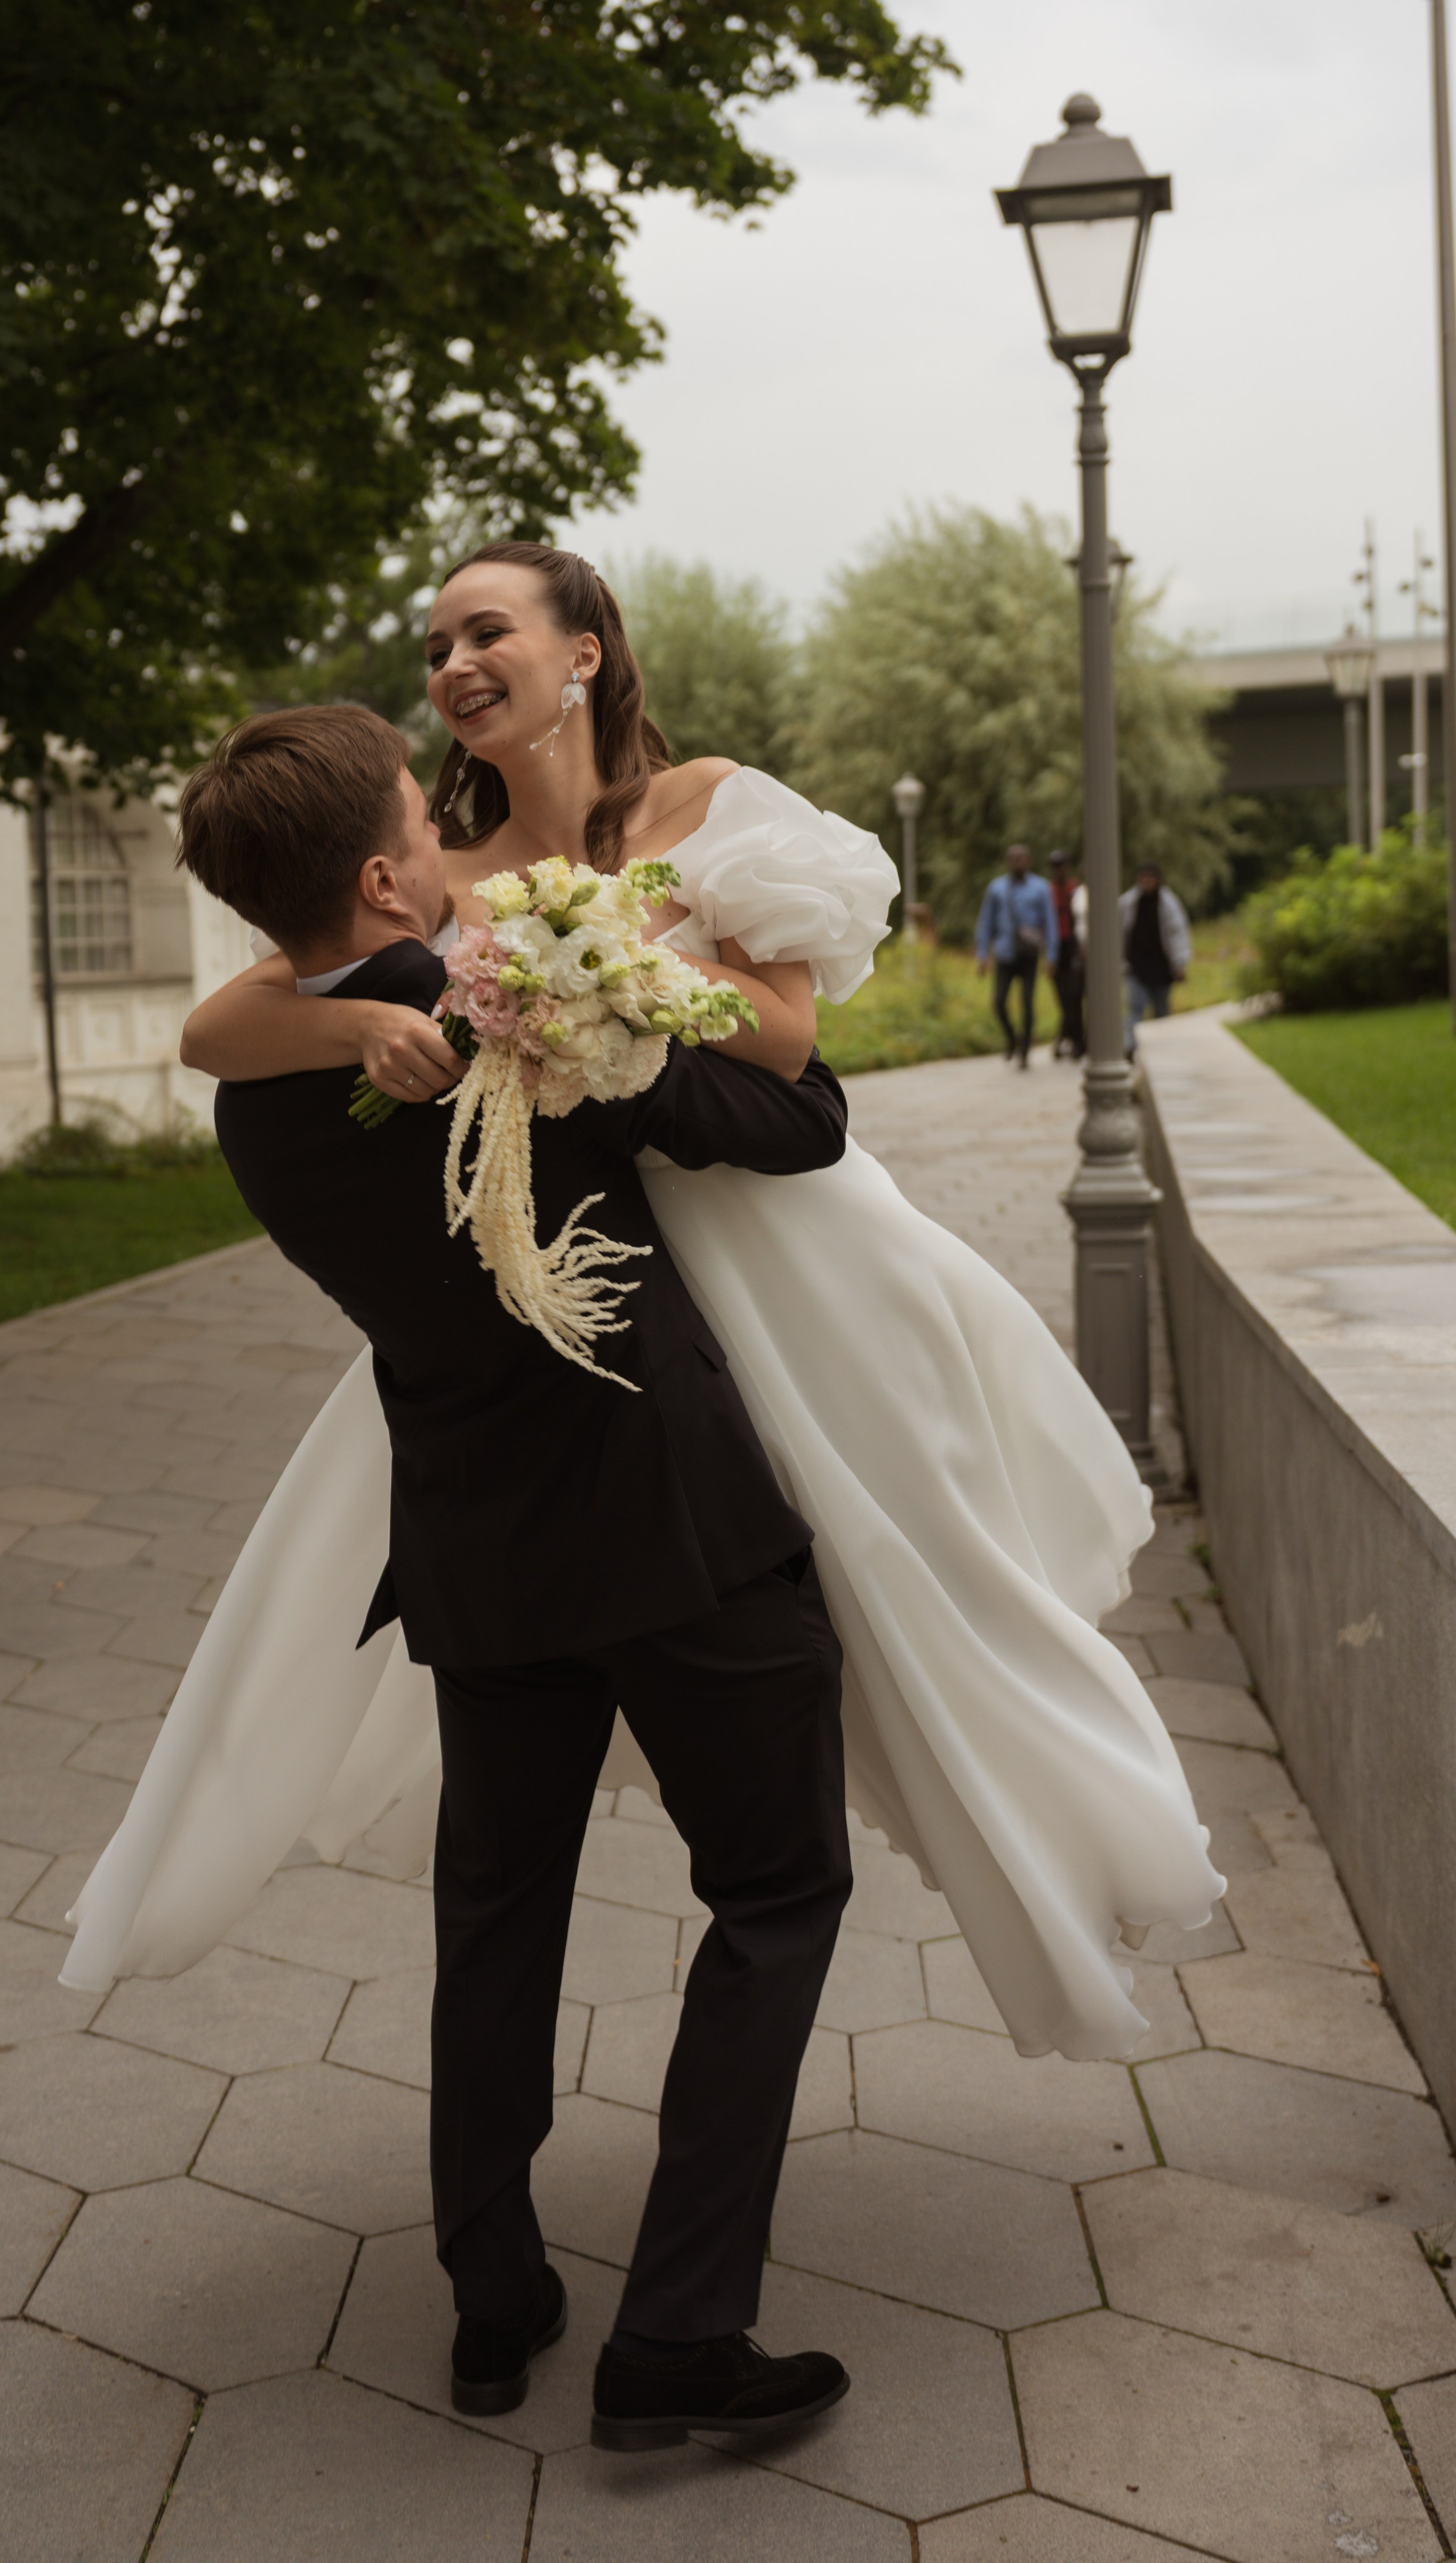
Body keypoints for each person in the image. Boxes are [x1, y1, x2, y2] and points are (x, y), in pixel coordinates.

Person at [66, 541, 1222, 2102]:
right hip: (583, 1300)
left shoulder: (709, 811)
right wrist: (361, 1016)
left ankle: (1062, 1833)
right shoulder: (434, 869)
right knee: (653, 1634)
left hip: (780, 1241)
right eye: (433, 645)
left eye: (485, 630)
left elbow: (791, 1041)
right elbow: (224, 1023)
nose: (452, 664)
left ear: (584, 650)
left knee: (915, 1587)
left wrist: (602, 974)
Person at [155, 700, 855, 2442]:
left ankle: (496, 2300)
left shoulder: (269, 1097)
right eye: (427, 827)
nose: (464, 854)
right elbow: (800, 1124)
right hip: (674, 1531)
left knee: (497, 1920)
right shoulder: (496, 1020)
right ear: (389, 872)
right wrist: (682, 1005)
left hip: (480, 1553)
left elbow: (239, 1023)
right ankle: (680, 2334)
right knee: (776, 1894)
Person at [975, 842, 1058, 1068]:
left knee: (1027, 1003)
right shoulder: (997, 888)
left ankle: (1025, 1053)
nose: (1017, 862)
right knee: (999, 1002)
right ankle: (1013, 1039)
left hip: (1029, 955)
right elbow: (986, 922)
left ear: (1028, 861)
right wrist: (982, 954)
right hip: (1005, 953)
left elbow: (1050, 923)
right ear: (1008, 862)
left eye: (1021, 858)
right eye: (1013, 859)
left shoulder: (1041, 888)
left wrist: (1051, 956)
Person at [1121, 862, 1193, 1055]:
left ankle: (1164, 1047)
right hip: (1136, 966)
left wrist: (1180, 963)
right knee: (1135, 1008)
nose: (1146, 883)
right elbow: (1120, 932)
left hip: (1161, 967)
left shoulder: (1168, 904)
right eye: (1142, 879)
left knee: (1162, 1010)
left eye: (1150, 879)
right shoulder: (1129, 903)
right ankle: (1130, 1047)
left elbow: (1178, 933)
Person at [1046, 849, 1084, 1059]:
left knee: (1074, 995)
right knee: (1063, 998)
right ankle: (1069, 1038)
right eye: (1055, 866)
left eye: (1063, 865)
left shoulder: (1076, 889)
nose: (1060, 870)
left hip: (1075, 946)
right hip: (1056, 948)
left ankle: (1076, 1041)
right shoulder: (1047, 892)